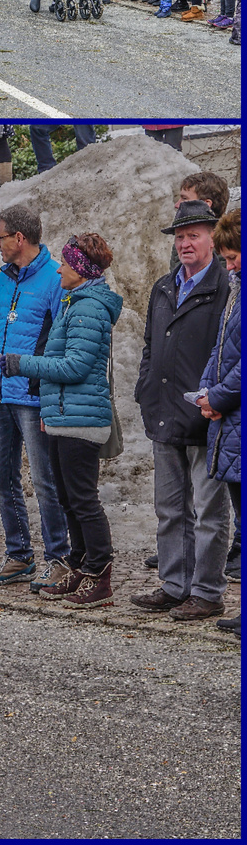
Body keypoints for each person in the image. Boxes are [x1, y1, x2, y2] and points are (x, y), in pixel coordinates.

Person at [0, 232, 122, 607]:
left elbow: (76, 365)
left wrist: (23, 364)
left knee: (82, 499)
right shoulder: (76, 301)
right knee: (69, 498)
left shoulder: (88, 307)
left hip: (80, 418)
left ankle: (99, 572)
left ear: (81, 270)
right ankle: (81, 564)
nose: (60, 268)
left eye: (66, 263)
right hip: (64, 415)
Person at [132, 200, 235, 621]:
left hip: (207, 414)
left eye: (194, 235)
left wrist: (216, 398)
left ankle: (208, 591)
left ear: (213, 237)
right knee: (170, 508)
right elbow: (150, 347)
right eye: (180, 237)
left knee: (209, 512)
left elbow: (227, 352)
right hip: (164, 412)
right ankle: (176, 585)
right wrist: (144, 389)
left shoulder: (227, 285)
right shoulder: (163, 286)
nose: (185, 243)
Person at [0, 206, 72, 591]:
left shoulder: (53, 278)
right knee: (3, 477)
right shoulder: (2, 279)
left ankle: (58, 557)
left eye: (0, 237)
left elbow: (57, 343)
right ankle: (19, 555)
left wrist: (48, 396)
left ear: (19, 239)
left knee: (45, 481)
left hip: (32, 399)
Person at [199, 210, 241, 634]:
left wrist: (220, 394)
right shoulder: (236, 291)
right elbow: (221, 349)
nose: (229, 266)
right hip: (229, 421)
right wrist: (205, 390)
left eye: (233, 257)